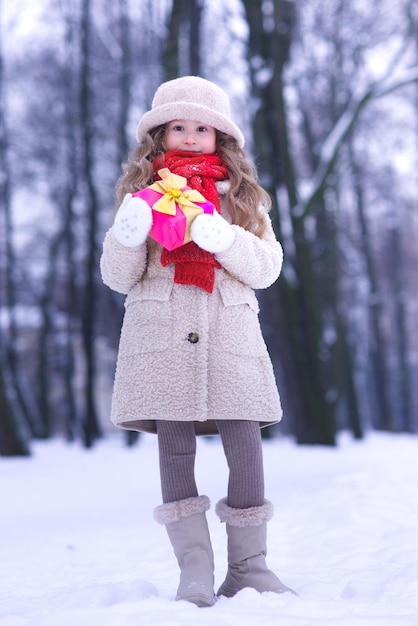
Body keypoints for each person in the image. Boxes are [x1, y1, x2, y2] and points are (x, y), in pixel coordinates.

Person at [100, 76, 293, 607]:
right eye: (177, 127)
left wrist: (226, 237)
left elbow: (268, 267)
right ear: (159, 137)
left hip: (229, 337)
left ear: (219, 138)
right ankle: (195, 568)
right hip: (162, 339)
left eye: (200, 128)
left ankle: (250, 566)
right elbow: (119, 276)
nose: (188, 136)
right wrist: (128, 233)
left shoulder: (244, 201)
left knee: (245, 446)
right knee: (175, 446)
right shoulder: (140, 200)